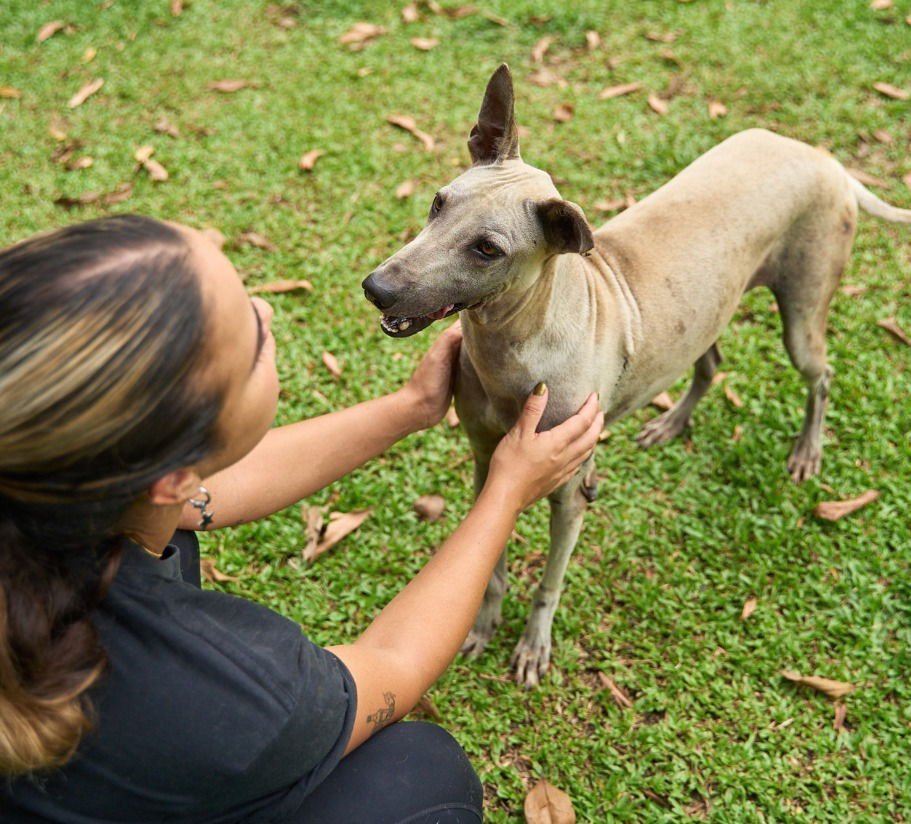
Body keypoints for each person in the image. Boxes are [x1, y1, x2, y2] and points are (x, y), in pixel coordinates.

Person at [0, 215, 604, 823]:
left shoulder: (50, 478)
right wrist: (505, 490)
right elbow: (393, 666)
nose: (263, 310)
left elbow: (202, 492)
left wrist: (408, 410)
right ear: (170, 475)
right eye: (250, 339)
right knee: (420, 772)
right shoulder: (231, 695)